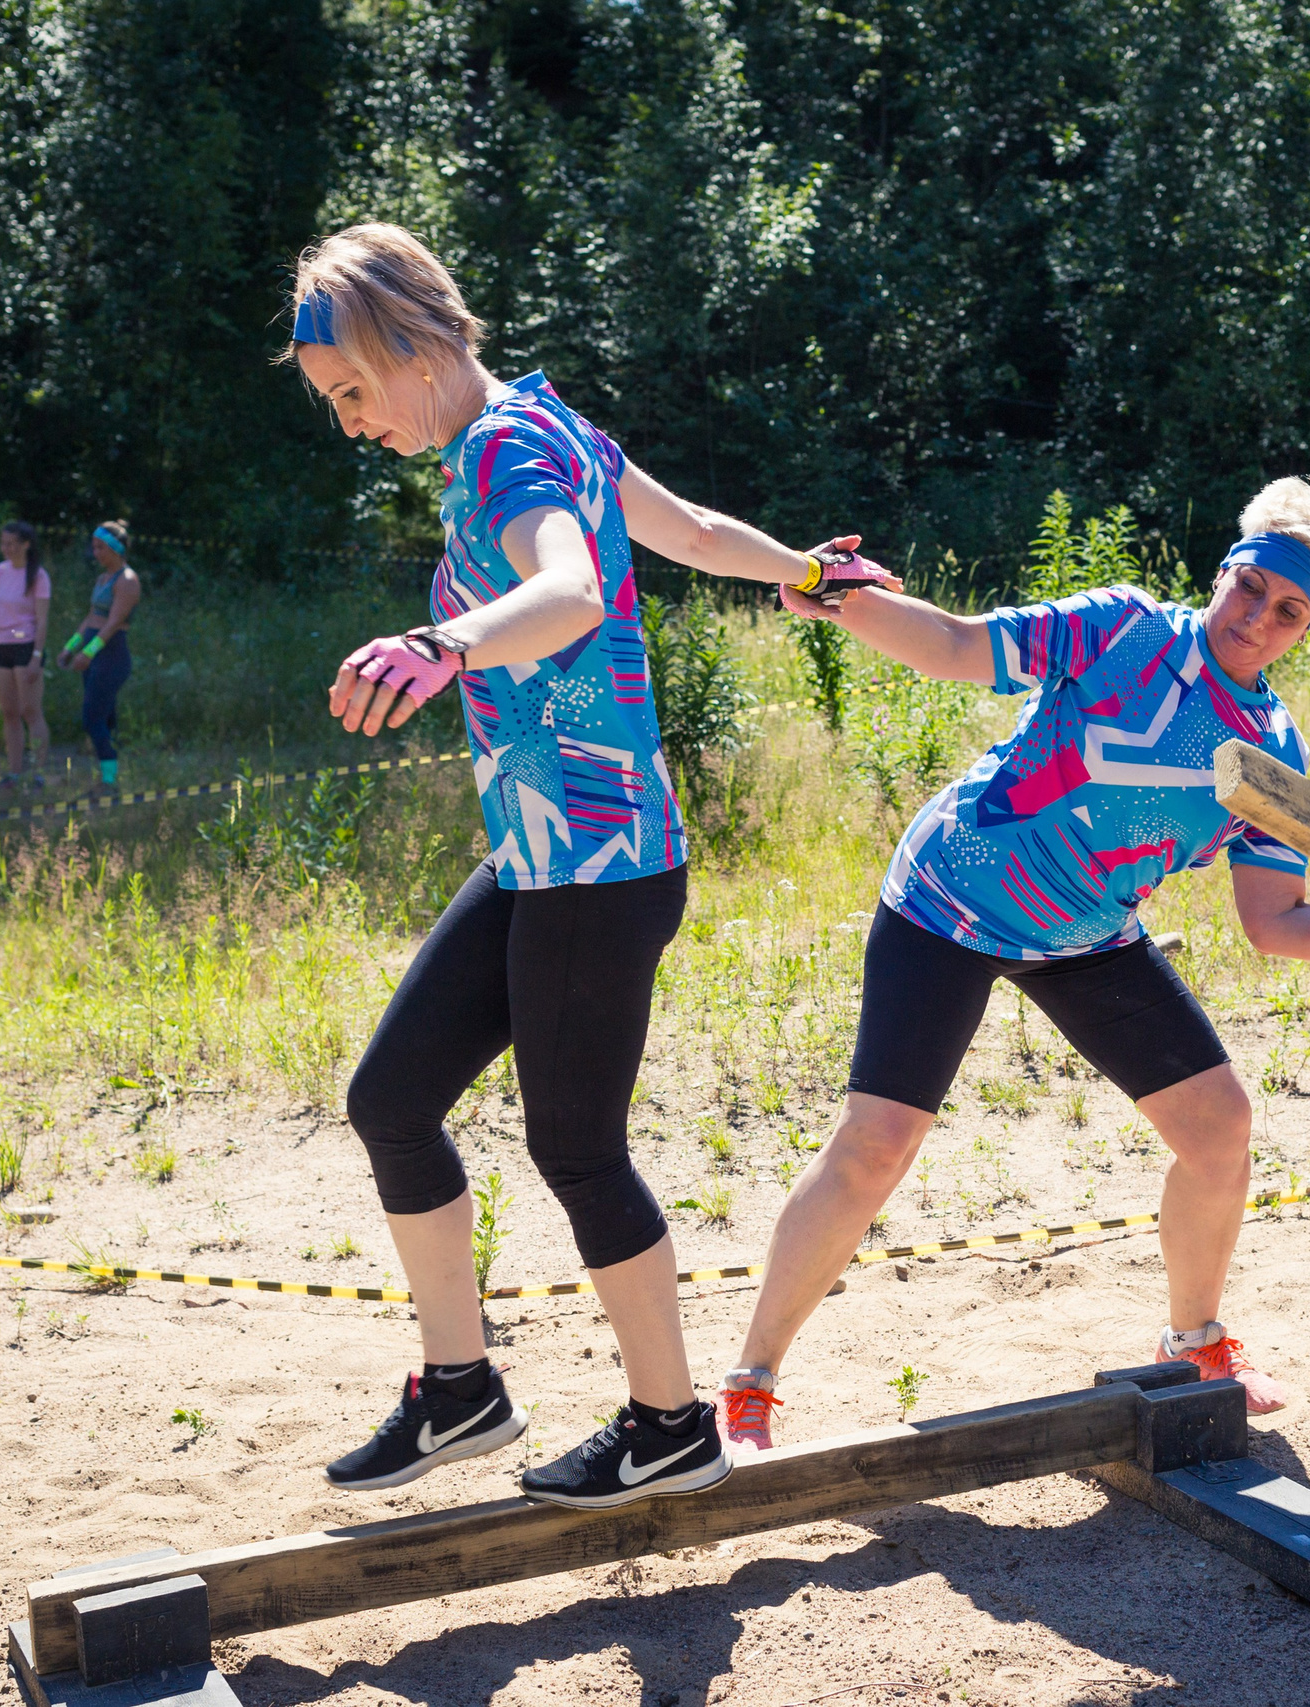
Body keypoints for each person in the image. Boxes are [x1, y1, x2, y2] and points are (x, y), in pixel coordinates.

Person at [713, 479, 1310, 1454]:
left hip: (1082, 936)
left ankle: (1194, 1341)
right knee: (875, 1145)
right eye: (1250, 586)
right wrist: (848, 597)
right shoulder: (1123, 630)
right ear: (1224, 571)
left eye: (1288, 611)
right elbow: (961, 647)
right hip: (947, 899)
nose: (1257, 617)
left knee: (1219, 1126)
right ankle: (749, 1384)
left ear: (1307, 632)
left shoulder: (1269, 754)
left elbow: (1276, 920)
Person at [294, 222, 890, 1507]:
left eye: (351, 392)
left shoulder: (510, 453)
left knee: (576, 1146)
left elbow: (567, 591)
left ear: (412, 343)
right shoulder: (542, 424)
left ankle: (668, 1424)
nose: (349, 424)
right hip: (540, 855)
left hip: (599, 861)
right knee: (392, 1101)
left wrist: (442, 644)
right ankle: (462, 1390)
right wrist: (803, 572)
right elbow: (685, 531)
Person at [57, 520, 141, 788]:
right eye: (94, 547)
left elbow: (113, 623)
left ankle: (109, 780)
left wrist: (89, 653)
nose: (96, 553)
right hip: (95, 655)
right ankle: (112, 773)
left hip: (112, 656)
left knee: (92, 717)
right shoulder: (102, 579)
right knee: (106, 717)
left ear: (116, 549)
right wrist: (71, 647)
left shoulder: (127, 581)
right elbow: (91, 618)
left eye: (101, 548)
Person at [0, 521, 51, 788]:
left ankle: (39, 773)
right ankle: (14, 772)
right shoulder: (0, 571)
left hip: (26, 645)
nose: (6, 549)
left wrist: (36, 656)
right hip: (2, 646)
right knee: (9, 711)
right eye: (3, 543)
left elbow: (42, 620)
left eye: (12, 543)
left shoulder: (38, 576)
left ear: (26, 545)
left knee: (30, 710)